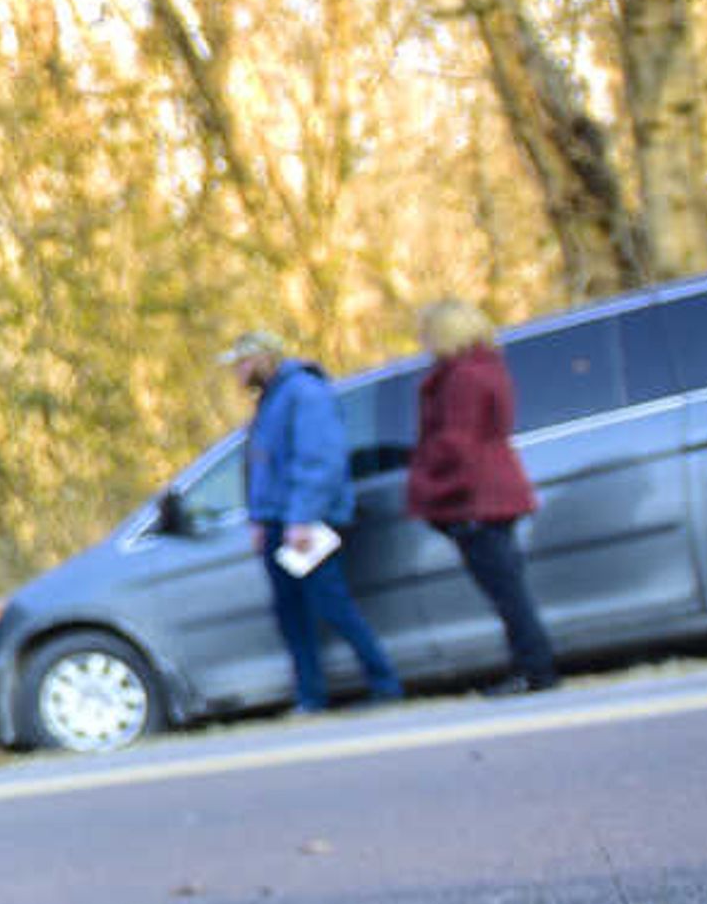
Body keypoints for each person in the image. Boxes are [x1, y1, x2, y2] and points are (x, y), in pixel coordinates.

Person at [220, 330, 402, 713]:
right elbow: (263, 466)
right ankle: (310, 696)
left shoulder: (305, 393)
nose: (236, 374)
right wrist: (259, 518)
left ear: (261, 359)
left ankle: (384, 682)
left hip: (307, 522)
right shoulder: (269, 401)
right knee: (290, 613)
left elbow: (319, 460)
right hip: (277, 522)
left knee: (331, 603)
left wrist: (301, 518)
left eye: (241, 364)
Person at [409, 298, 561, 695]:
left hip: (475, 497)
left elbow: (456, 442)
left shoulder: (461, 378)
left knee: (505, 591)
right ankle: (530, 666)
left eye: (427, 333)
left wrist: (424, 483)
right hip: (494, 491)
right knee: (508, 587)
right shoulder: (488, 369)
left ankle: (535, 668)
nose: (423, 341)